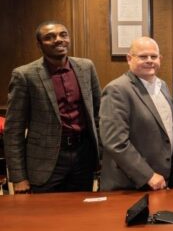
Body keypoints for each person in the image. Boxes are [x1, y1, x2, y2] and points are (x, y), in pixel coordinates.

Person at [4, 21, 101, 193]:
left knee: (82, 213)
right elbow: (13, 131)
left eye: (63, 35)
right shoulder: (24, 75)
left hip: (83, 156)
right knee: (45, 216)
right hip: (45, 162)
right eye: (49, 37)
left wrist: (102, 158)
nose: (58, 40)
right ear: (39, 45)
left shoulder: (86, 67)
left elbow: (98, 116)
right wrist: (19, 177)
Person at [99, 37, 173, 191]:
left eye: (154, 56)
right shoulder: (117, 90)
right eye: (143, 56)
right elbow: (115, 142)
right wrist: (148, 175)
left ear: (160, 59)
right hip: (131, 184)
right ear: (129, 59)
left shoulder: (162, 85)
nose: (150, 61)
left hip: (163, 182)